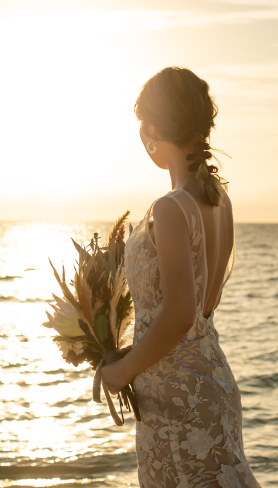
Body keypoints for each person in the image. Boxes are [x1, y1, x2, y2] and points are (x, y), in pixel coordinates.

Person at [102, 67, 261, 487]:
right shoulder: (218, 201)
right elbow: (198, 309)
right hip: (211, 382)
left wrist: (123, 371)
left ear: (154, 127)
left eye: (142, 129)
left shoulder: (171, 208)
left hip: (176, 401)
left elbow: (179, 314)